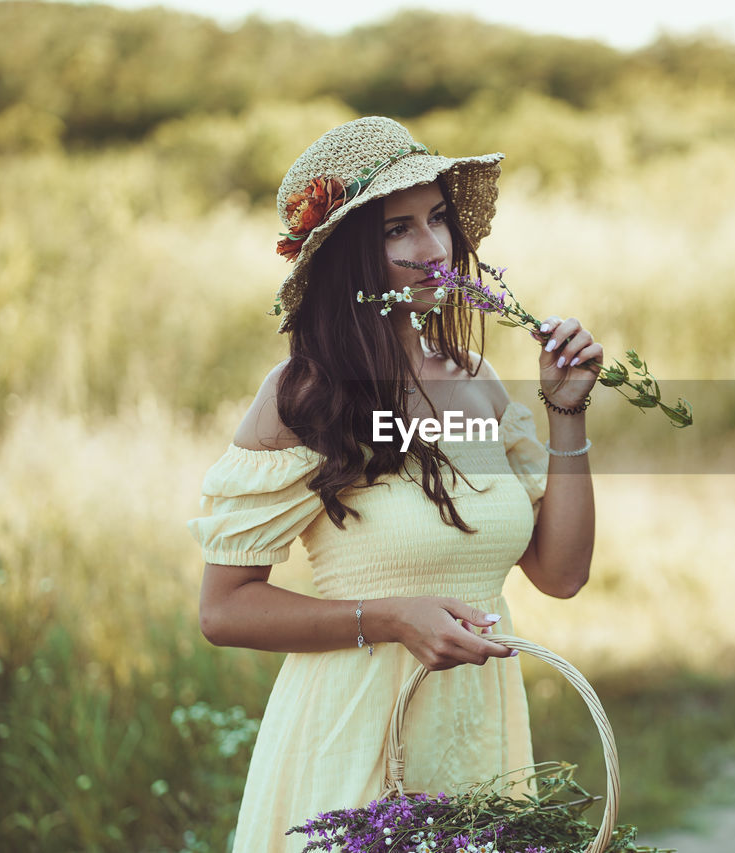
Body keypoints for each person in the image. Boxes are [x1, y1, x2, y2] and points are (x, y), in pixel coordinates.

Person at [187, 116, 600, 852]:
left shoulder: (477, 387)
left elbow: (561, 573)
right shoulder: (302, 398)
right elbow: (224, 609)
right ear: (350, 258)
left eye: (438, 219)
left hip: (478, 751)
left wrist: (566, 410)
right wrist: (389, 616)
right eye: (396, 230)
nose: (433, 248)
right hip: (352, 747)